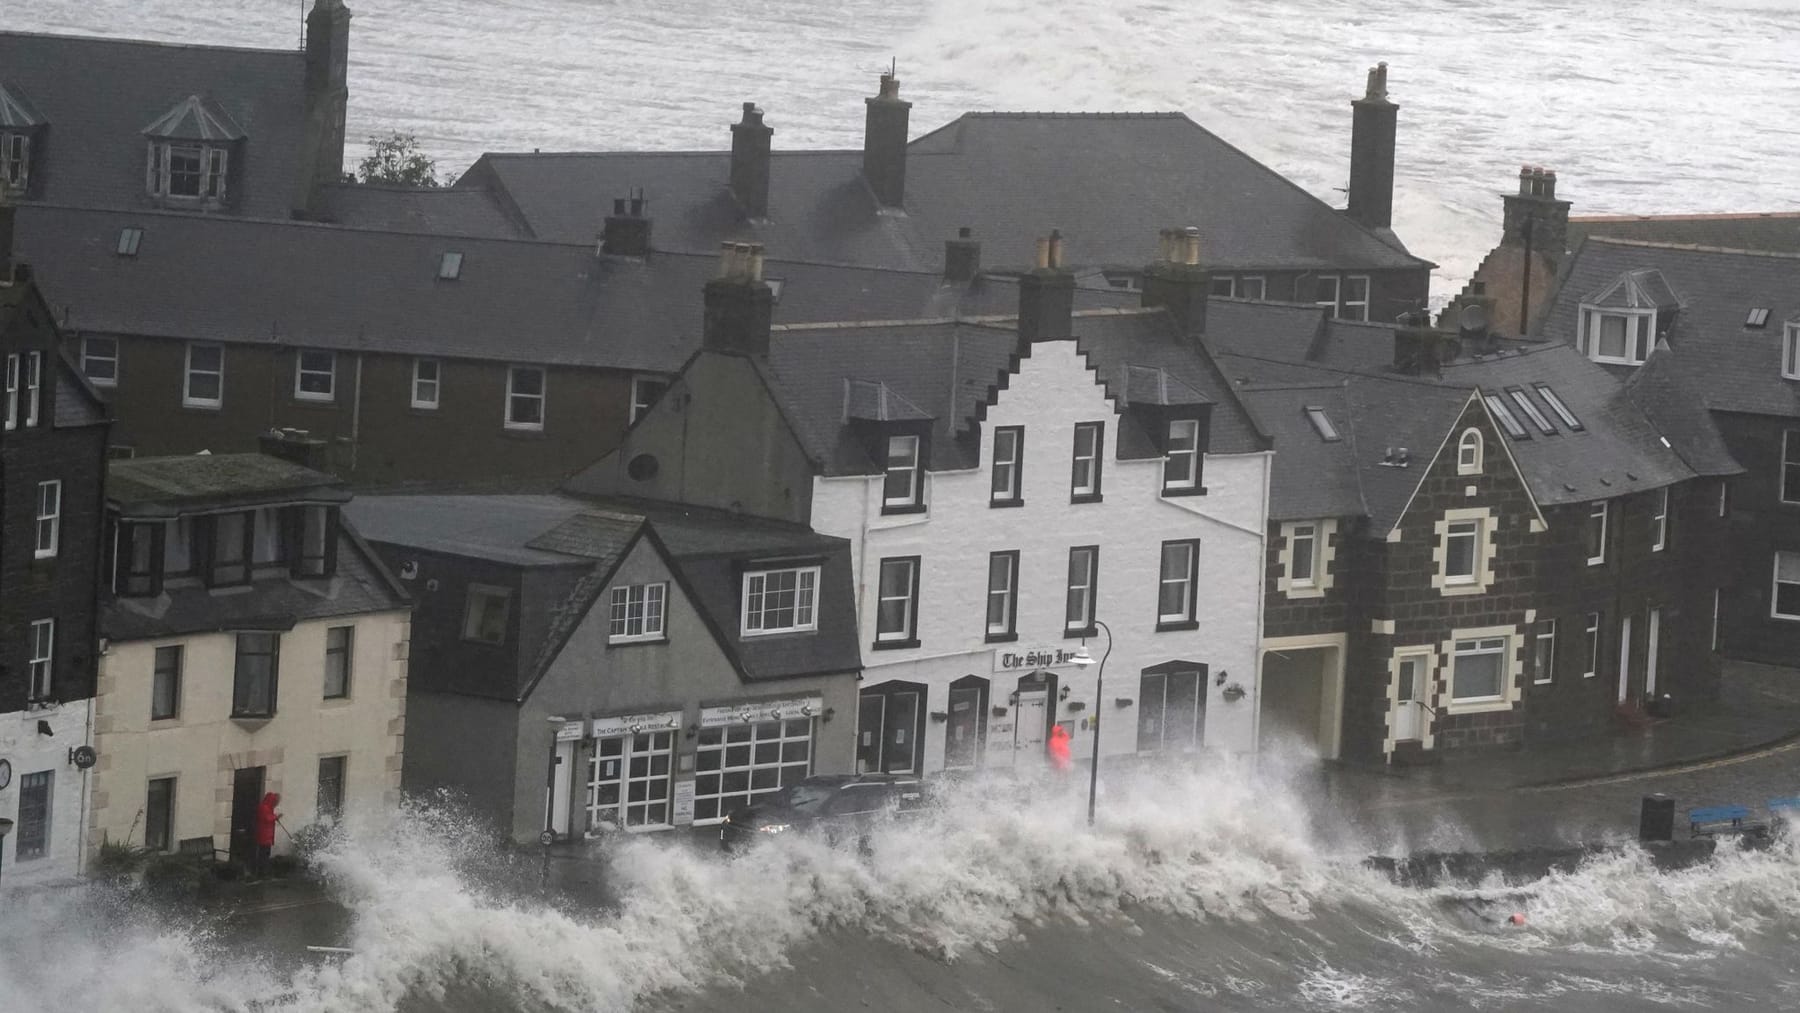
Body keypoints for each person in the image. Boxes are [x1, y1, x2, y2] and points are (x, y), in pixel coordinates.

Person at [253, 792, 281, 877]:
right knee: (263, 855)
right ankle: (261, 873)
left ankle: (263, 872)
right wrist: (276, 817)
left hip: (267, 836)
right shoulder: (264, 808)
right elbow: (267, 818)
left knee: (265, 854)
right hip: (264, 836)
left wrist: (275, 817)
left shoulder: (268, 808)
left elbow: (269, 817)